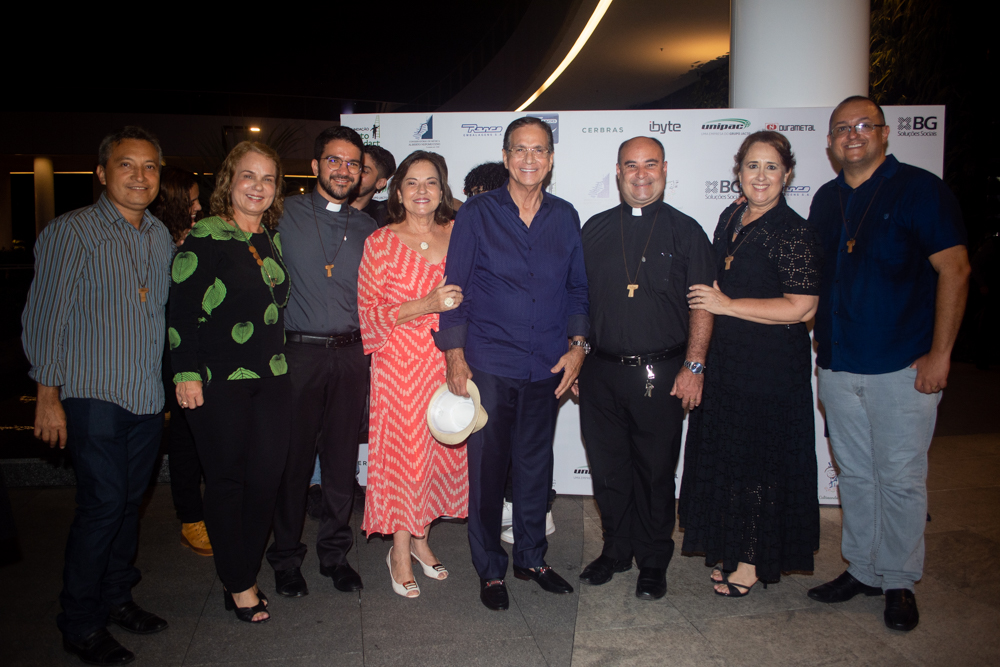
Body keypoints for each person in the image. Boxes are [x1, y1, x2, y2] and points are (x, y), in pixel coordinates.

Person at [806, 96, 970, 632]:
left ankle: (899, 580)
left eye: (863, 125)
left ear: (884, 133)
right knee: (855, 476)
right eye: (842, 128)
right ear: (830, 142)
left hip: (903, 366)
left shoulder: (921, 190)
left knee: (899, 478)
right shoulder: (826, 199)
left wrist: (940, 354)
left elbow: (955, 269)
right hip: (837, 365)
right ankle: (864, 569)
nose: (852, 135)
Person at [22, 126, 173, 665]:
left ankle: (117, 598)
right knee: (103, 505)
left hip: (145, 396)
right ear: (102, 172)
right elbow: (45, 317)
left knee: (129, 505)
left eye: (150, 166)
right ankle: (80, 622)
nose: (140, 176)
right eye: (127, 165)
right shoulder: (72, 231)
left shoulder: (158, 235)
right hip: (92, 394)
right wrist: (47, 395)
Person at [435, 116, 589, 611]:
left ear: (550, 159)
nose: (529, 159)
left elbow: (577, 288)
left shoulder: (565, 216)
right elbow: (455, 289)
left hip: (545, 365)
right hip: (489, 363)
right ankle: (490, 570)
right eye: (520, 150)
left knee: (534, 466)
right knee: (487, 471)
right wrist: (455, 357)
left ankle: (531, 558)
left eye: (539, 150)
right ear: (505, 157)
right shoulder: (478, 213)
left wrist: (578, 346)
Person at [678, 131, 821, 597]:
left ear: (788, 174)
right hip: (727, 362)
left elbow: (802, 307)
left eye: (771, 167)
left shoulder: (793, 231)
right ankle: (732, 545)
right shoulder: (732, 215)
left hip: (770, 368)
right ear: (738, 172)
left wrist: (728, 306)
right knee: (731, 458)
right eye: (752, 166)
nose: (761, 176)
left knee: (762, 462)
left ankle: (753, 559)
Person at [576, 136, 715, 601]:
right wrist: (577, 356)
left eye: (650, 164)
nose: (641, 174)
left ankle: (654, 560)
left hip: (663, 372)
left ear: (665, 169)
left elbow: (702, 304)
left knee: (655, 472)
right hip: (600, 372)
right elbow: (576, 300)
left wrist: (695, 365)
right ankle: (616, 549)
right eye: (631, 165)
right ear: (618, 172)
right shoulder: (594, 229)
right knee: (608, 470)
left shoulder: (686, 231)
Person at [170, 141, 291, 624]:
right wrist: (185, 373)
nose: (258, 186)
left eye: (268, 179)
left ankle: (243, 569)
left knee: (265, 479)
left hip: (273, 377)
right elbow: (181, 312)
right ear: (230, 180)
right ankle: (238, 582)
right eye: (249, 176)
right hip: (218, 381)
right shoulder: (206, 236)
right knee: (226, 481)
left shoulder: (269, 238)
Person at [266, 126, 378, 597]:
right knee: (292, 464)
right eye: (334, 160)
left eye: (353, 164)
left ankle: (335, 555)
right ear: (315, 166)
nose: (343, 170)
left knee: (340, 462)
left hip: (351, 356)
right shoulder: (282, 214)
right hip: (299, 355)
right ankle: (286, 557)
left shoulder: (368, 229)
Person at [358, 150, 468, 598]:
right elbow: (368, 314)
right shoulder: (380, 242)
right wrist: (428, 304)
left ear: (442, 191)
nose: (422, 191)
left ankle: (421, 538)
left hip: (448, 359)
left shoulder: (459, 234)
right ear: (398, 192)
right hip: (399, 363)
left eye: (431, 182)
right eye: (412, 183)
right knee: (406, 456)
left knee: (437, 452)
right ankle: (399, 551)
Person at [151, 166, 212, 557]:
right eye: (190, 201)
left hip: (200, 353)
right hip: (167, 354)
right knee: (185, 439)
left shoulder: (195, 238)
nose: (198, 207)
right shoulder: (156, 243)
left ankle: (202, 513)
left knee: (197, 435)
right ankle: (191, 518)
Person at [350, 144, 397, 227]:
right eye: (354, 166)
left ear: (380, 183)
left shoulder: (383, 217)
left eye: (364, 171)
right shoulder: (329, 205)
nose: (356, 173)